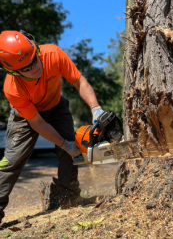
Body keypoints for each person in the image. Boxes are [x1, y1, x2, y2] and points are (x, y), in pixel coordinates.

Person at [0, 30, 104, 224]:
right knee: (12, 161)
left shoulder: (52, 54)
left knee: (72, 150)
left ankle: (69, 197)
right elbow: (37, 123)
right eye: (27, 67)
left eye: (34, 59)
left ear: (35, 48)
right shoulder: (12, 88)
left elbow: (78, 81)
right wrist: (64, 143)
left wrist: (96, 109)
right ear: (14, 72)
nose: (34, 67)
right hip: (26, 117)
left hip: (56, 106)